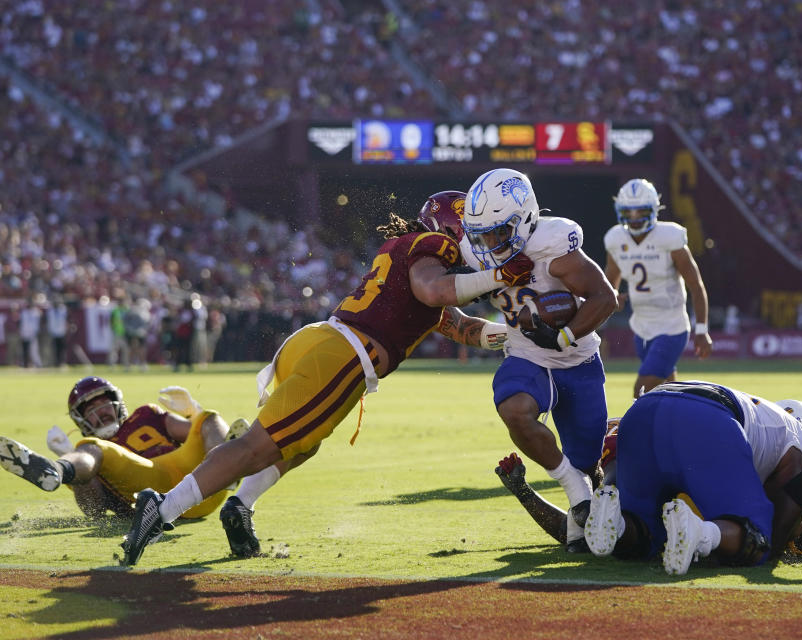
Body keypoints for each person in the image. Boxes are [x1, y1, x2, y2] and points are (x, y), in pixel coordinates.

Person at [120, 190, 531, 566]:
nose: (481, 244)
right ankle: (164, 506)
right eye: (473, 233)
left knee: (304, 444)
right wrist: (498, 276)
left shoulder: (412, 255)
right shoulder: (433, 248)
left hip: (323, 341)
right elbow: (433, 290)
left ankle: (240, 504)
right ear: (452, 228)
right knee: (256, 448)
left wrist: (515, 334)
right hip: (345, 355)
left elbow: (460, 326)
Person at [496, 382, 802, 574]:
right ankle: (700, 533)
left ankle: (606, 500)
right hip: (698, 432)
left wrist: (525, 493)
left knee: (628, 539)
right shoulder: (783, 445)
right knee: (756, 541)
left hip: (643, 420)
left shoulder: (761, 429)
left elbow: (573, 531)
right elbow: (788, 528)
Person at [460, 168, 618, 552]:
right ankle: (572, 487)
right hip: (525, 354)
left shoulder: (553, 245)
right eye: (483, 234)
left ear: (527, 217)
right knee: (514, 409)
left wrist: (563, 333)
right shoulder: (469, 248)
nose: (490, 243)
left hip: (577, 358)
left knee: (588, 462)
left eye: (500, 231)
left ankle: (585, 516)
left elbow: (605, 297)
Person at [0, 377, 242, 519]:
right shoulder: (92, 451)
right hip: (158, 496)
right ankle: (55, 470)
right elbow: (93, 510)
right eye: (90, 410)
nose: (100, 412)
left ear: (117, 403)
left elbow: (195, 434)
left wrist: (194, 413)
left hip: (203, 480)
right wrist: (70, 461)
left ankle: (227, 466)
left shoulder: (146, 414)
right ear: (81, 420)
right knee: (95, 449)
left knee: (208, 417)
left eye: (103, 403)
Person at [603, 178, 712, 398]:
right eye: (629, 212)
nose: (634, 218)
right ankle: (680, 425)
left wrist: (701, 330)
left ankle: (640, 432)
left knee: (641, 391)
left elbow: (696, 285)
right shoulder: (615, 238)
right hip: (641, 327)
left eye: (640, 211)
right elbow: (609, 283)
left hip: (671, 327)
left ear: (653, 209)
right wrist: (613, 299)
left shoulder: (669, 237)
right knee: (670, 388)